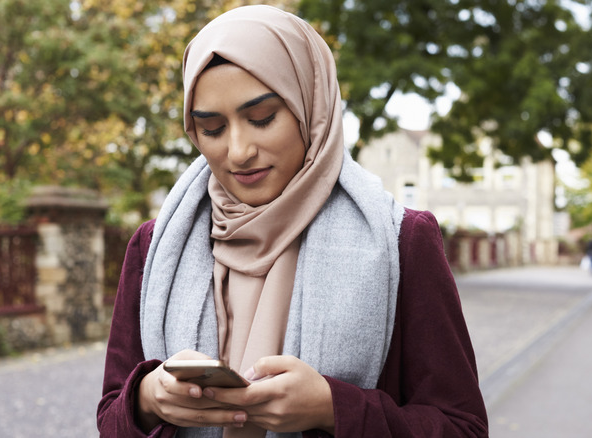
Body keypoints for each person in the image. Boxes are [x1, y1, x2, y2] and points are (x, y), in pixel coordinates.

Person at [97, 5, 488, 437]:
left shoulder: (402, 240)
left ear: (310, 109)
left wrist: (334, 409)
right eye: (212, 128)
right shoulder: (155, 246)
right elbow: (111, 418)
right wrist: (148, 399)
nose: (239, 150)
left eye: (262, 118)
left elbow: (463, 427)